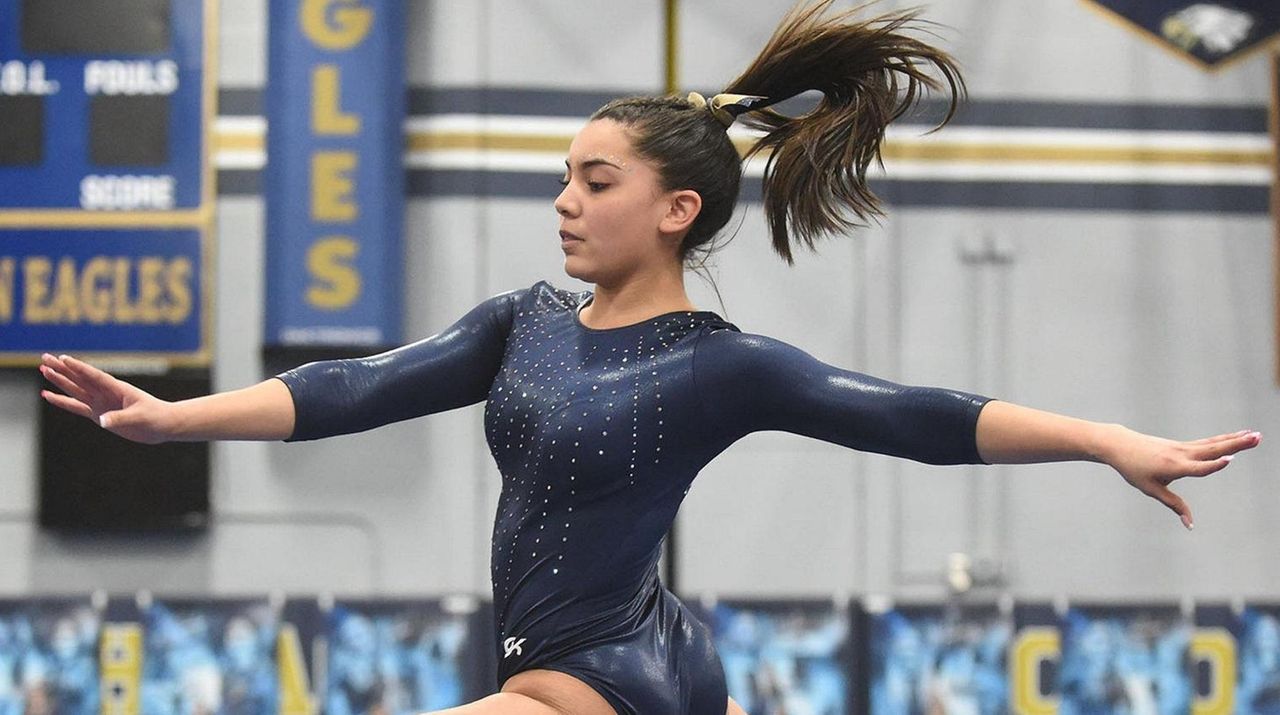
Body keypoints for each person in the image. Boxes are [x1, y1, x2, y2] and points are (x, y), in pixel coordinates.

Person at [38, 2, 1259, 714]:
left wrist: (1106, 439)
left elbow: (918, 413)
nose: (562, 198)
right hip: (622, 662)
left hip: (595, 670)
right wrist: (170, 419)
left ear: (674, 210)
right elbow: (351, 388)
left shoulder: (719, 365)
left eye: (594, 179)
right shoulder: (522, 322)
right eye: (564, 175)